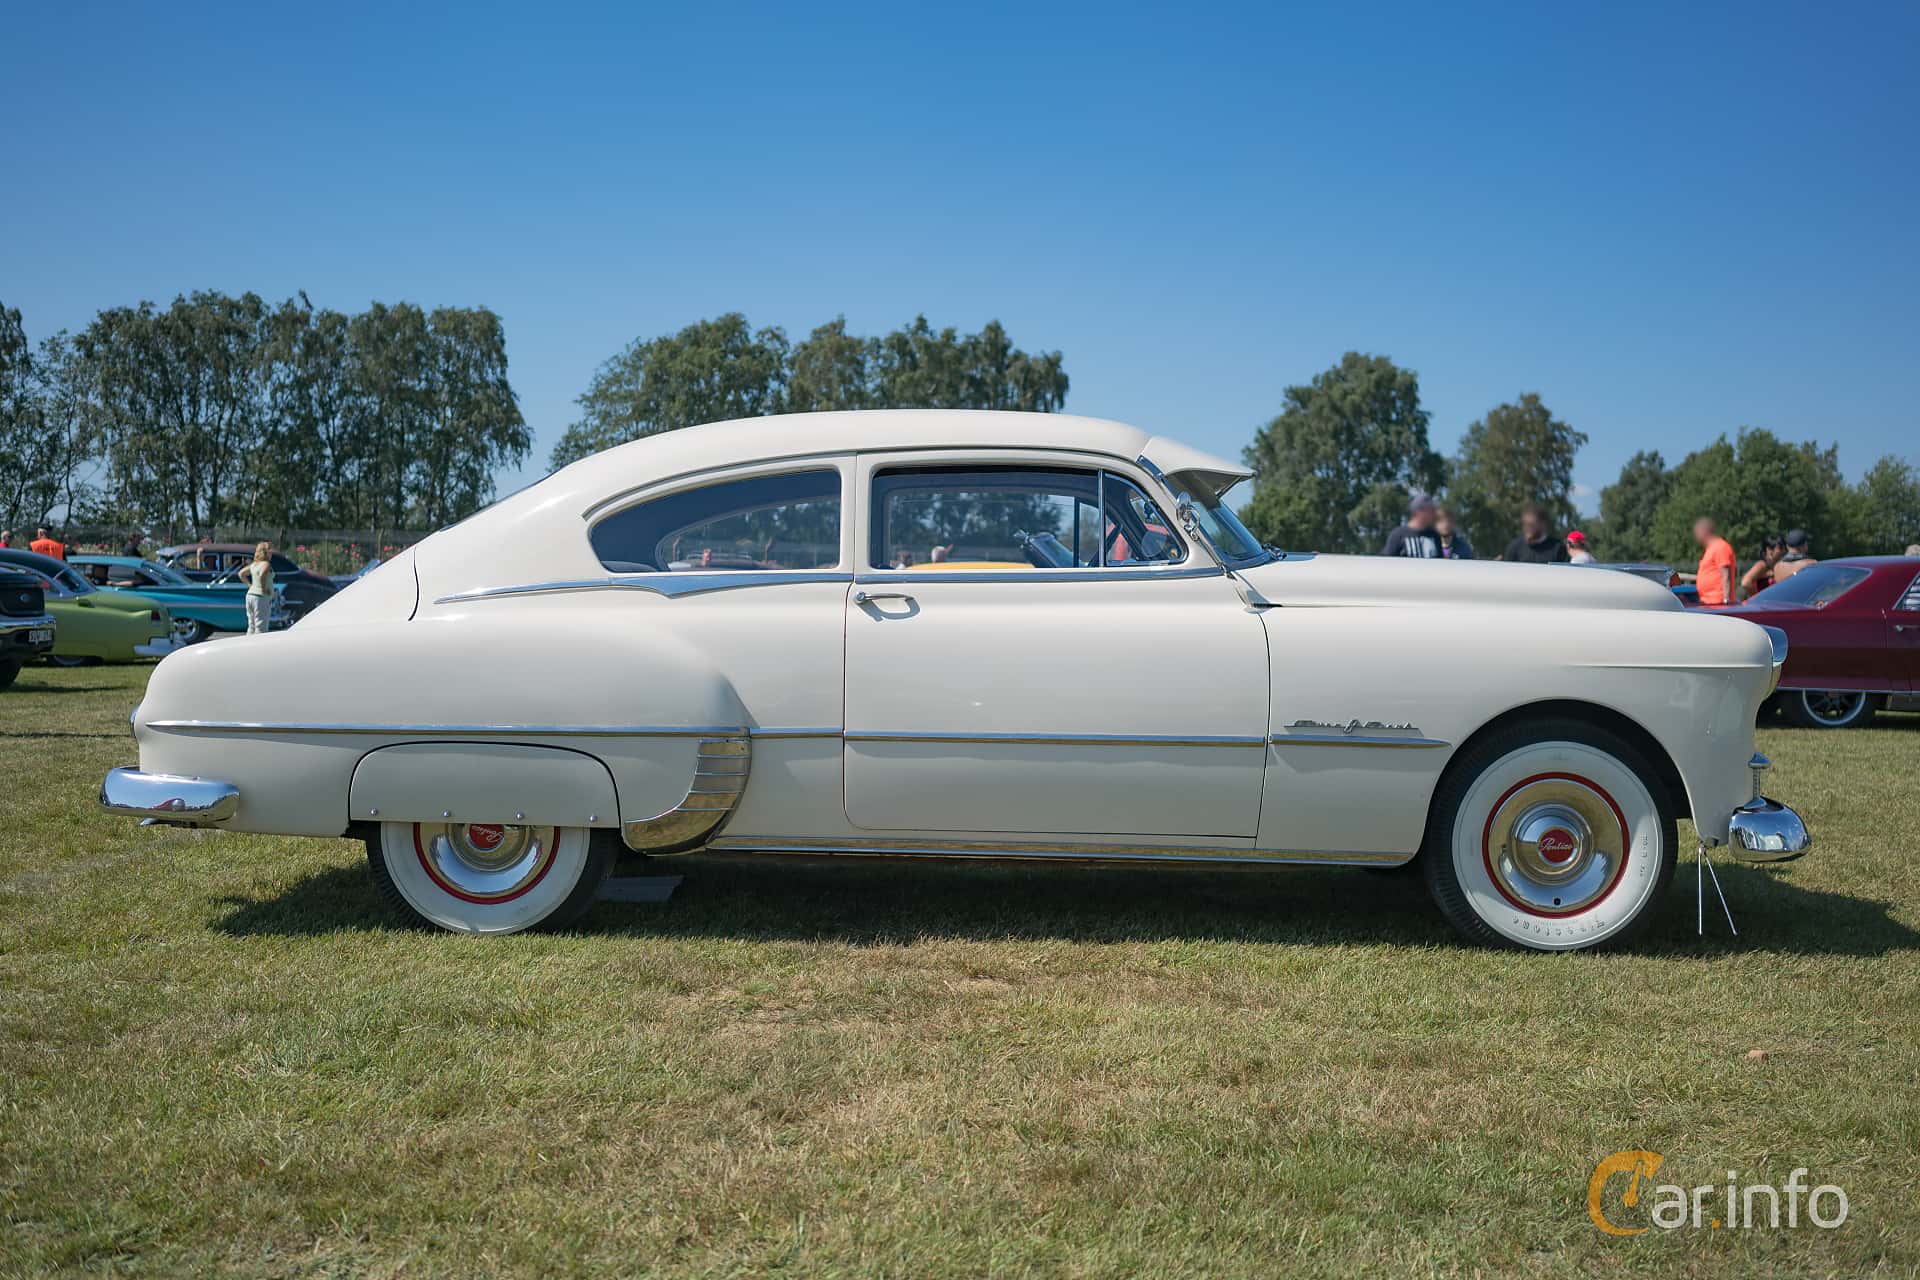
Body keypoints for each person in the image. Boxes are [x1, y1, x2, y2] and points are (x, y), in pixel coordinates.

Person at [1685, 517, 1736, 606]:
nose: (1696, 536)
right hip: (1709, 602)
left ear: (1704, 531)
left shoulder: (1720, 547)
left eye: (1697, 532)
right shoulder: (1710, 548)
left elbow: (1725, 575)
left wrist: (1726, 600)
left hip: (1718, 602)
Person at [1502, 505, 1570, 563]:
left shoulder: (1558, 548)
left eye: (1531, 525)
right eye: (1525, 524)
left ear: (1543, 524)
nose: (1527, 529)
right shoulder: (1514, 548)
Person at [1381, 494, 1441, 558]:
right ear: (1419, 511)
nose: (1434, 513)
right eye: (1431, 510)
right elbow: (1387, 563)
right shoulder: (1398, 535)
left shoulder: (1434, 535)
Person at [238, 541, 275, 635]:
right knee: (261, 626)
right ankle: (259, 648)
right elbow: (262, 575)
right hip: (260, 597)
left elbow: (241, 573)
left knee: (251, 625)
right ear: (265, 553)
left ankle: (248, 645)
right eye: (270, 551)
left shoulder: (254, 564)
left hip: (250, 596)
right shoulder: (266, 564)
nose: (271, 553)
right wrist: (263, 589)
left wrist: (249, 585)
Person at [1740, 534, 1787, 599]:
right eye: (1780, 548)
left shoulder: (1776, 566)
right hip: (1762, 607)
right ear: (1769, 550)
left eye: (1785, 548)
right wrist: (1757, 598)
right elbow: (1745, 583)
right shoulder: (1762, 565)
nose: (1784, 551)